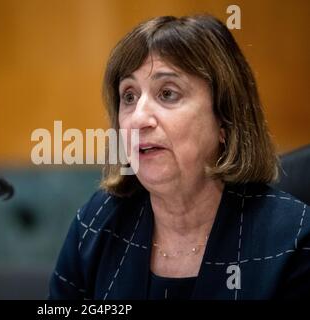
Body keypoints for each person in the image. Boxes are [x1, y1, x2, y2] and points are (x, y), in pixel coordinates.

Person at [49, 15, 310, 300]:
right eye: (129, 96)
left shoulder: (293, 240)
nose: (138, 119)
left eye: (167, 93)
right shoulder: (97, 222)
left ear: (224, 119)